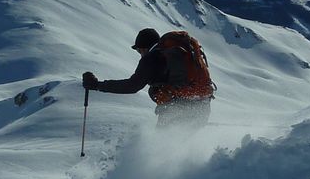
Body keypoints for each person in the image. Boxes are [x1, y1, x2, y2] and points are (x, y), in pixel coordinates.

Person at [82, 28, 213, 129]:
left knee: (162, 152)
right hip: (202, 105)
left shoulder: (151, 59)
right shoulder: (176, 51)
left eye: (139, 51)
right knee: (185, 151)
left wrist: (98, 85)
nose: (140, 55)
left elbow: (132, 86)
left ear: (144, 48)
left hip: (177, 109)